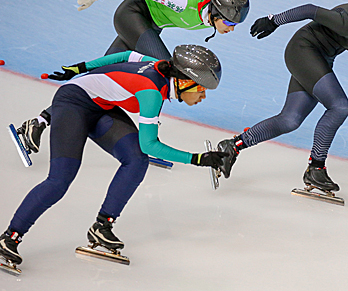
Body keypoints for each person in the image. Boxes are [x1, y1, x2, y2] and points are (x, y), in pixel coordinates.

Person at [0, 44, 228, 267]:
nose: (203, 96)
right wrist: (196, 158)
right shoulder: (152, 93)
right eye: (201, 89)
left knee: (137, 160)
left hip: (102, 107)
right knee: (60, 179)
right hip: (73, 103)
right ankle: (9, 238)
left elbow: (127, 55)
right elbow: (150, 144)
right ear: (184, 81)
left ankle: (102, 226)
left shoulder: (158, 65)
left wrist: (82, 67)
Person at [217, 0, 348, 192]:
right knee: (339, 107)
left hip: (320, 58)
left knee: (289, 120)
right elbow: (310, 10)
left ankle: (232, 146)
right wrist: (273, 21)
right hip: (303, 51)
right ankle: (316, 167)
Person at [17, 0, 249, 155]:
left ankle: (37, 122)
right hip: (132, 16)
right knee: (167, 73)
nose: (231, 29)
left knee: (98, 80)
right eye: (229, 22)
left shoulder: (209, 14)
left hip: (149, 26)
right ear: (216, 11)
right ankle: (149, 141)